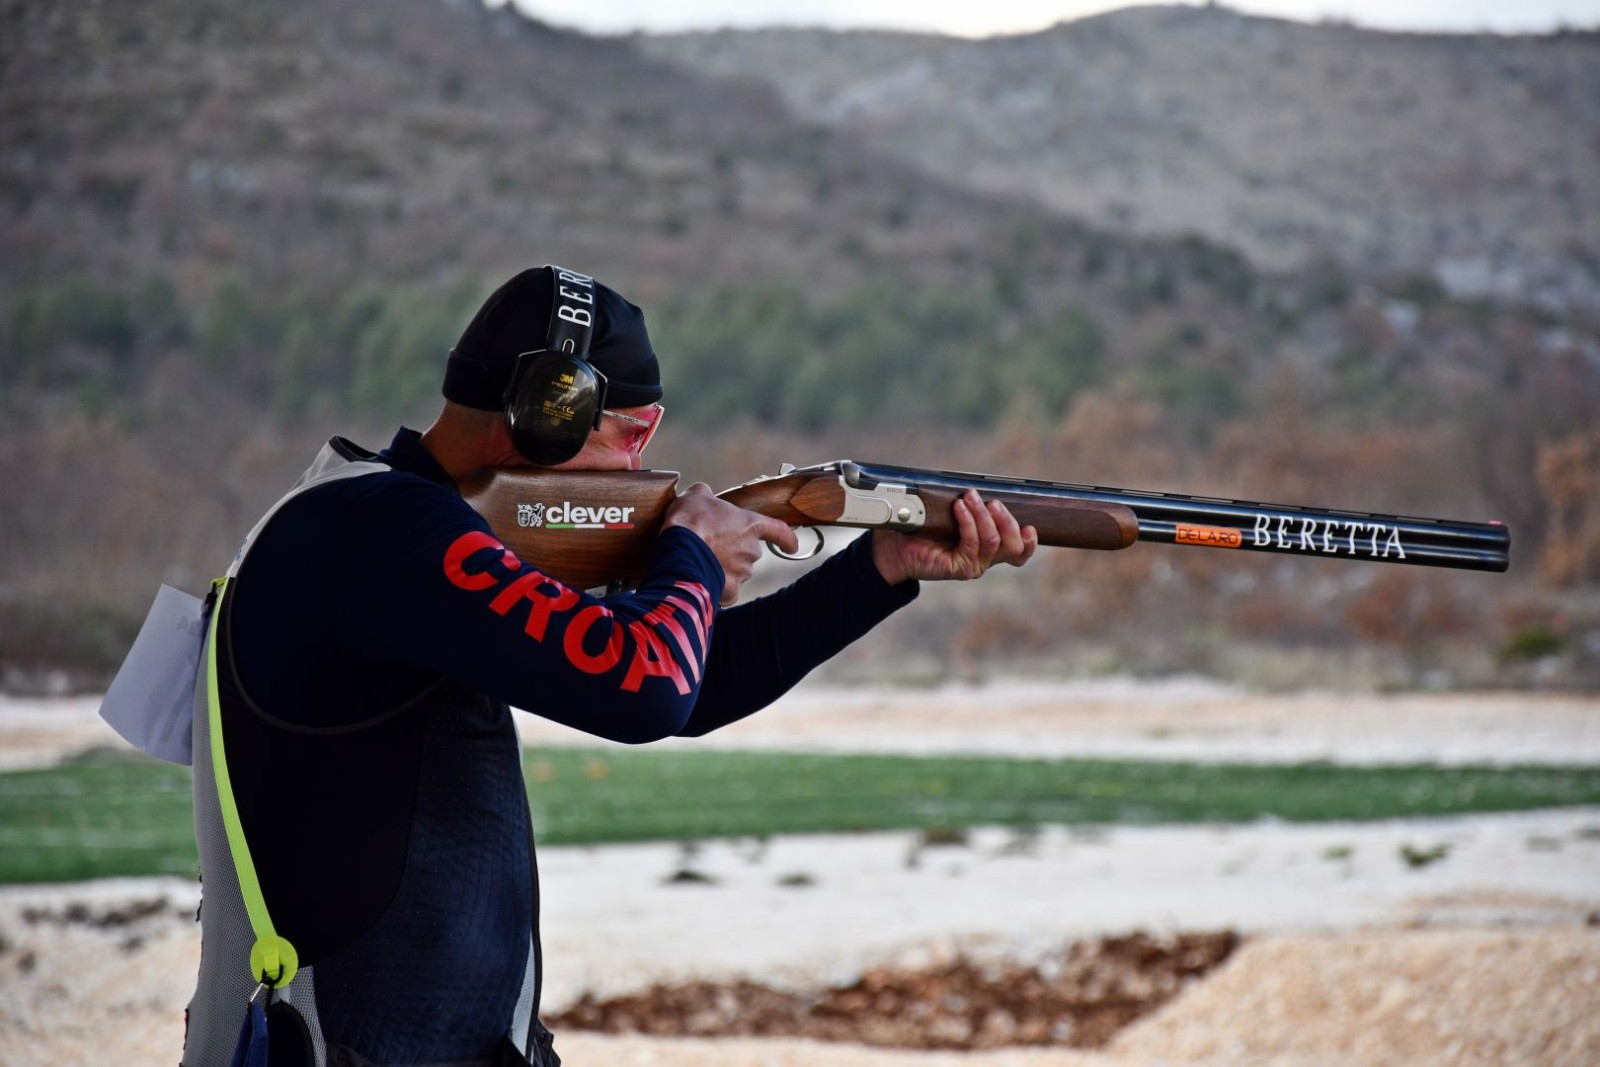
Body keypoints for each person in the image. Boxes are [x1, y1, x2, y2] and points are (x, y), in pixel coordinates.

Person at [181, 265, 1037, 1067]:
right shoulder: (388, 530)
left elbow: (685, 684)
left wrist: (878, 569)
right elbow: (644, 690)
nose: (637, 472)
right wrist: (692, 557)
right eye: (629, 438)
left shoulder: (373, 518)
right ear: (551, 410)